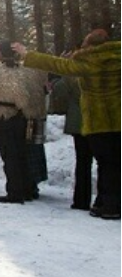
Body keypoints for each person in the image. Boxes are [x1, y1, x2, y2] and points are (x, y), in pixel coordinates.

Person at [14, 30, 120, 220]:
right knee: (116, 162)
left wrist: (27, 54)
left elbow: (58, 64)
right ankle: (107, 202)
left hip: (98, 121)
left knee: (105, 163)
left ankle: (110, 205)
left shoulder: (88, 63)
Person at [0, 41, 48, 205]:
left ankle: (15, 191)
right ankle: (27, 188)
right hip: (21, 116)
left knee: (9, 154)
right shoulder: (28, 71)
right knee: (22, 152)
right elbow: (37, 94)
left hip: (2, 116)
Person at [48, 73, 93, 210]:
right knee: (107, 163)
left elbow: (61, 92)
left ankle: (81, 199)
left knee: (83, 161)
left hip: (78, 122)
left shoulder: (73, 72)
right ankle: (107, 200)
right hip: (102, 120)